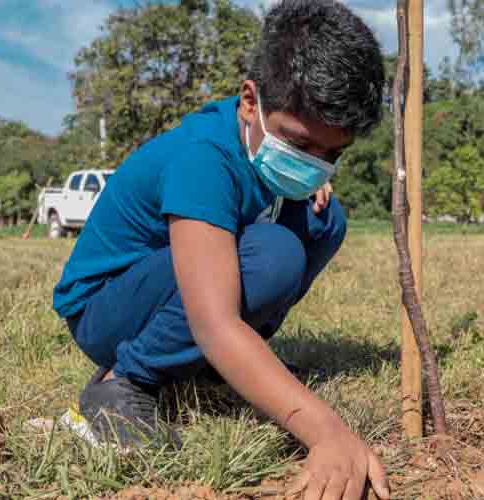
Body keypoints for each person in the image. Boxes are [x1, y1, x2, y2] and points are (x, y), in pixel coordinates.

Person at [51, 1, 389, 498]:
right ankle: (122, 382)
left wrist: (301, 184)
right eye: (299, 146)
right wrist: (328, 433)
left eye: (331, 155)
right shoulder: (203, 158)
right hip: (105, 310)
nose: (314, 164)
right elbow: (214, 321)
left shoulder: (265, 150)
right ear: (250, 101)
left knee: (324, 222)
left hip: (170, 293)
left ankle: (213, 368)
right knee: (274, 254)